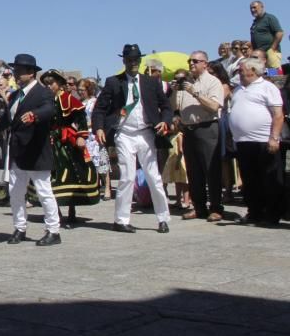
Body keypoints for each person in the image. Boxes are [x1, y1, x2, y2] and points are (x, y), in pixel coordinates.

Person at [92, 44, 173, 234]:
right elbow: (100, 109)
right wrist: (99, 128)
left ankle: (163, 218)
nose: (133, 63)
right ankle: (121, 220)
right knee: (127, 177)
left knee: (153, 176)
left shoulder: (151, 83)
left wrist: (165, 122)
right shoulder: (113, 82)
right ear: (124, 61)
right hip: (124, 134)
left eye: (136, 59)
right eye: (130, 59)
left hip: (146, 133)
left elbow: (166, 107)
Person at [0, 54, 61, 246]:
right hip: (18, 152)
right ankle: (19, 228)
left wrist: (35, 115)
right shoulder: (14, 96)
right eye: (15, 71)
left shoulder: (43, 92)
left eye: (19, 71)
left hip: (36, 150)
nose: (16, 75)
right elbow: (7, 120)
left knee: (44, 192)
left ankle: (53, 231)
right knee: (16, 192)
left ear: (31, 73)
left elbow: (49, 110)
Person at [36, 69, 99, 228]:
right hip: (48, 140)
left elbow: (81, 117)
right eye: (47, 83)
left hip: (65, 140)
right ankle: (55, 211)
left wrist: (81, 136)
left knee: (72, 173)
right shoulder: (44, 99)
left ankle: (72, 209)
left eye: (52, 83)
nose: (49, 86)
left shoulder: (68, 98)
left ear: (59, 84)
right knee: (49, 177)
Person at [229, 58, 285, 225]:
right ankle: (254, 211)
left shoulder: (267, 87)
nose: (238, 72)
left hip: (263, 140)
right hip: (243, 142)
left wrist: (274, 138)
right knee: (250, 179)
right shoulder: (238, 89)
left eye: (241, 69)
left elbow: (278, 115)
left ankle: (272, 214)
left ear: (253, 70)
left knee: (269, 178)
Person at [173, 50, 225, 222]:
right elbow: (176, 106)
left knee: (211, 169)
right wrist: (175, 91)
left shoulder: (213, 82)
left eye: (195, 61)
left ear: (205, 63)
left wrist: (194, 92)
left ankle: (216, 207)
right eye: (190, 61)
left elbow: (213, 106)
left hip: (207, 127)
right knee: (194, 172)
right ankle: (199, 207)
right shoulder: (185, 83)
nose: (191, 64)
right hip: (189, 130)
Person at [80, 79, 111, 201]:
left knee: (101, 162)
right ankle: (94, 188)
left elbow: (98, 117)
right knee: (90, 163)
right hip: (84, 136)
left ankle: (107, 187)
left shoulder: (94, 102)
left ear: (88, 90)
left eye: (82, 90)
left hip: (94, 135)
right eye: (79, 90)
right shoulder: (80, 103)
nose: (80, 92)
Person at [249, 0, 283, 69]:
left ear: (262, 7)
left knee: (274, 75)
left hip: (271, 53)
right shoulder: (254, 23)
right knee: (263, 75)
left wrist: (272, 49)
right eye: (251, 8)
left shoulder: (269, 18)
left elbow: (280, 33)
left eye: (254, 7)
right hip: (259, 55)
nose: (252, 10)